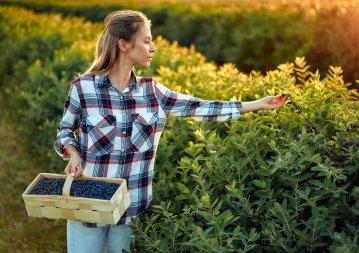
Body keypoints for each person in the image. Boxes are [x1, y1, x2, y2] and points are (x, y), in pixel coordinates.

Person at [54, 10, 287, 253]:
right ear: (124, 44)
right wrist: (73, 154)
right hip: (88, 202)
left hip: (129, 206)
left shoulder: (154, 93)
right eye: (146, 41)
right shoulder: (84, 87)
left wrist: (256, 104)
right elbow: (64, 131)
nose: (153, 48)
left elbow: (203, 107)